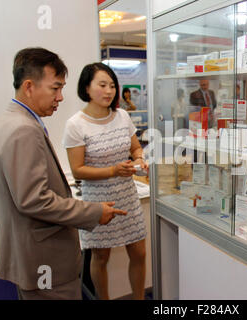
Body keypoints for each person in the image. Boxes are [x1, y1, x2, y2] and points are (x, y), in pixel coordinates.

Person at [0, 47, 126, 300]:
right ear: (29, 86)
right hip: (45, 260)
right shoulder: (23, 130)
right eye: (55, 88)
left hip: (31, 255)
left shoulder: (12, 120)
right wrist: (95, 211)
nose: (60, 97)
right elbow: (34, 200)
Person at [63, 62, 148, 300]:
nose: (109, 91)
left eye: (112, 85)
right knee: (100, 257)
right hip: (98, 201)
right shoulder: (75, 124)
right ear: (87, 88)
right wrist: (113, 170)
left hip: (127, 195)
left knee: (139, 253)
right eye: (102, 85)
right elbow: (78, 170)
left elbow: (135, 147)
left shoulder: (122, 116)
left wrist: (140, 159)